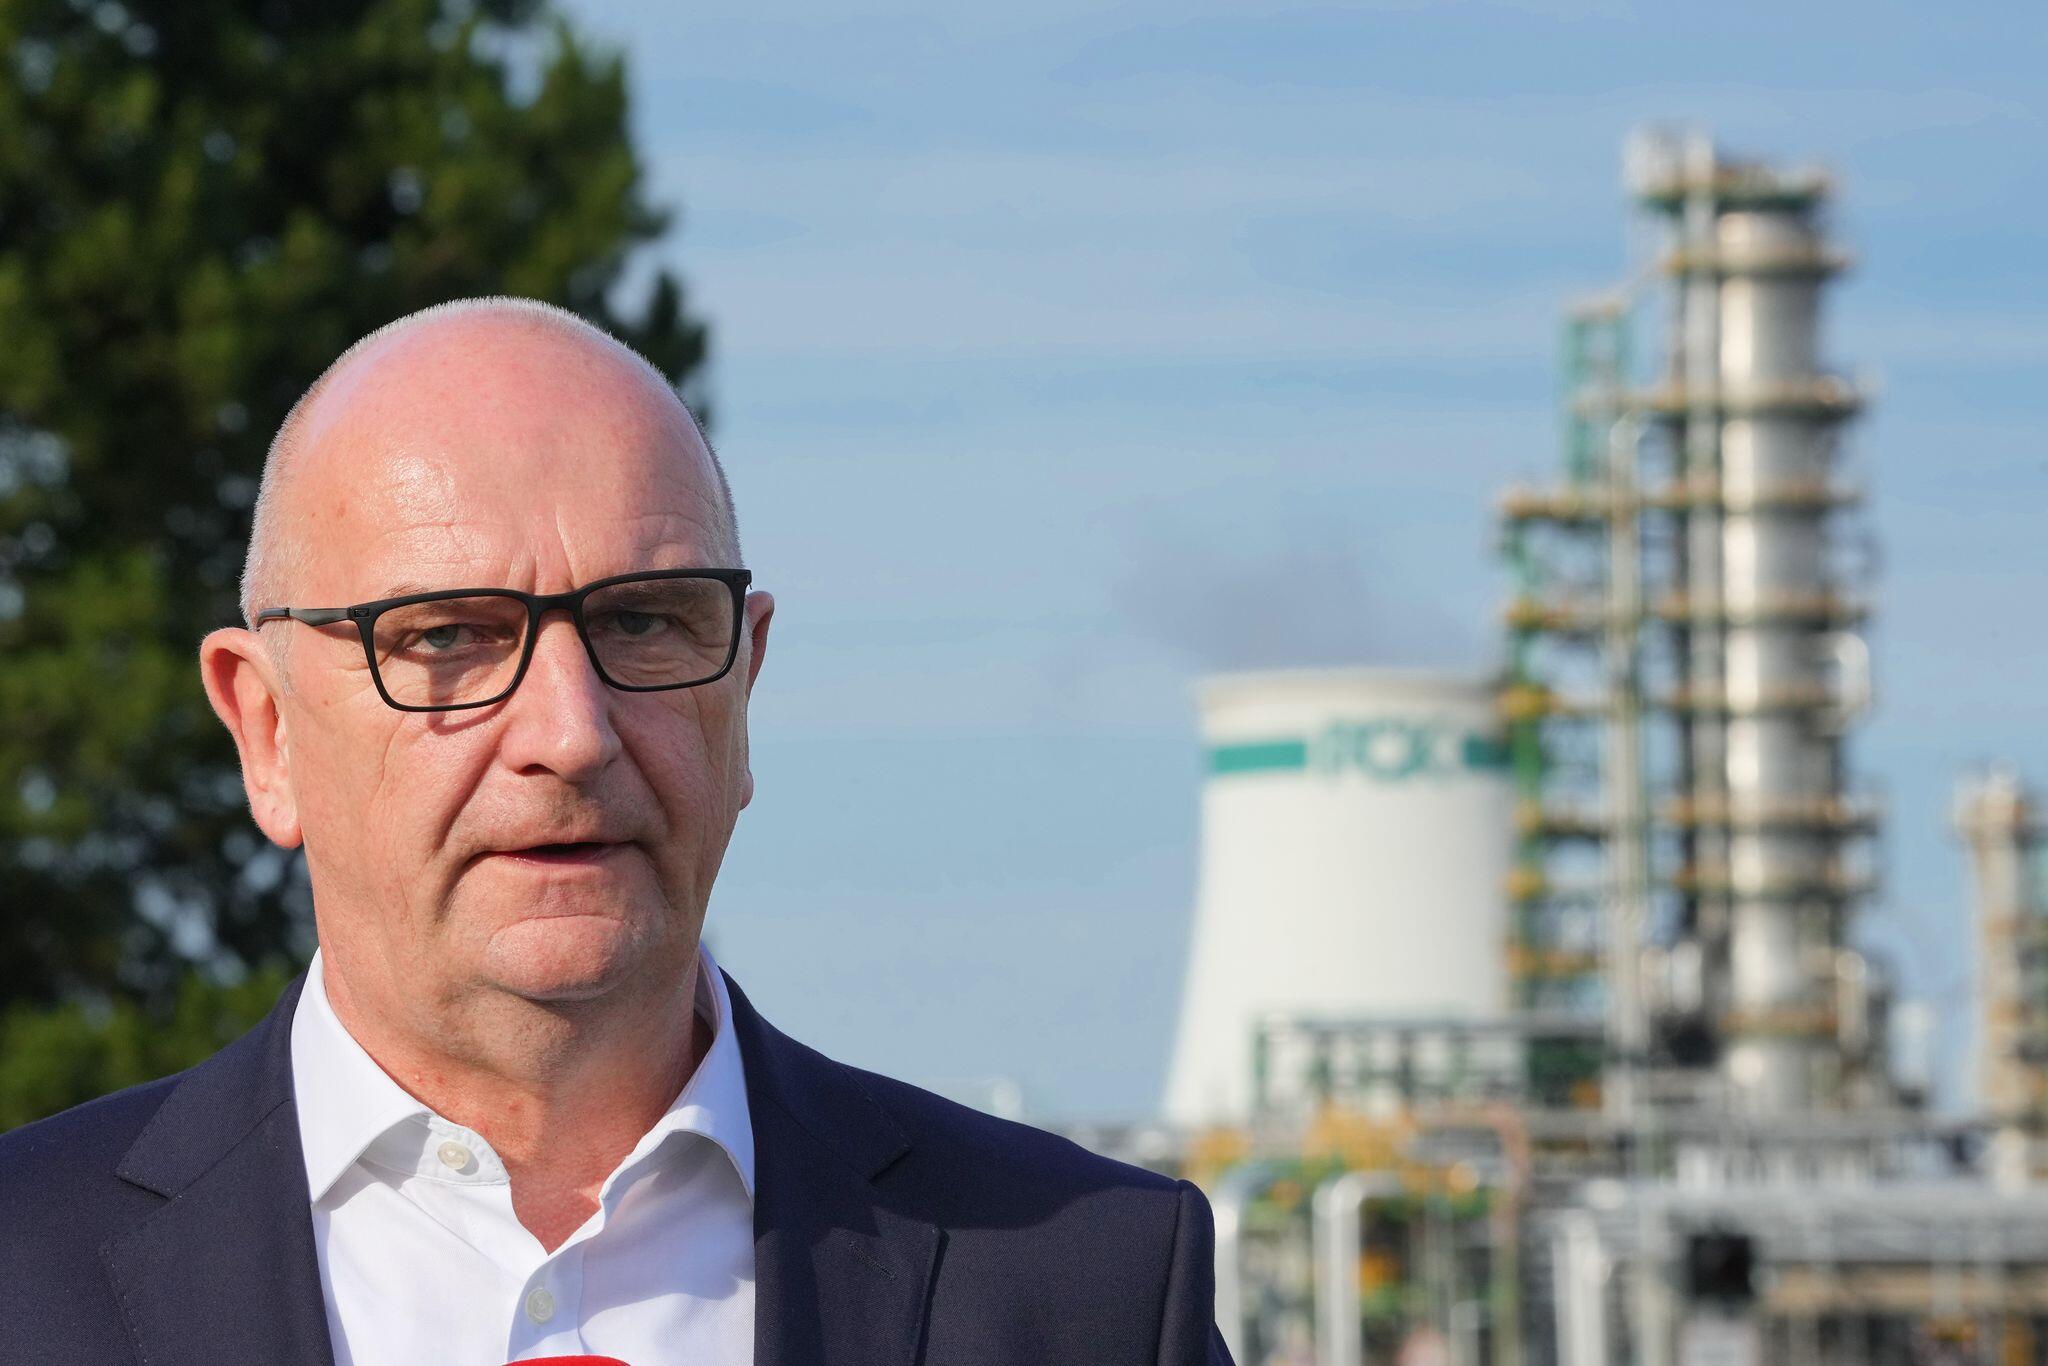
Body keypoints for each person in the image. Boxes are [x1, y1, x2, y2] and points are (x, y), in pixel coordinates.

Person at [0, 299, 1232, 1364]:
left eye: (643, 622)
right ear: (267, 731)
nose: (571, 731)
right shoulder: (23, 1275)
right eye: (447, 635)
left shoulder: (1086, 1286)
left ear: (744, 686)